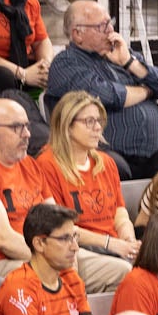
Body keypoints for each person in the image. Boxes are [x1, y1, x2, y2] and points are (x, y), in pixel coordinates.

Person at [0, 98, 127, 295]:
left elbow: (56, 220)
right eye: (17, 127)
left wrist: (66, 248)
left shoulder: (30, 165)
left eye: (27, 126)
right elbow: (4, 240)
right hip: (2, 260)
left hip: (50, 250)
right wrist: (55, 258)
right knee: (51, 278)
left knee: (123, 273)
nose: (27, 134)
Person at [47, 2, 158, 182]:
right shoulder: (65, 63)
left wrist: (129, 62)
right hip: (105, 151)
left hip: (153, 151)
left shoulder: (122, 53)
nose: (110, 30)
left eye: (110, 22)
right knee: (112, 167)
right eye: (102, 26)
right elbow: (108, 96)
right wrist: (148, 91)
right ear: (78, 34)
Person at [37, 92, 140, 267]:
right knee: (125, 269)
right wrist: (110, 243)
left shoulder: (106, 162)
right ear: (67, 126)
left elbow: (120, 213)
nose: (98, 128)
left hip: (114, 245)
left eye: (99, 121)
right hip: (78, 247)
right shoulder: (47, 164)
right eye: (89, 121)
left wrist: (129, 241)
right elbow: (60, 226)